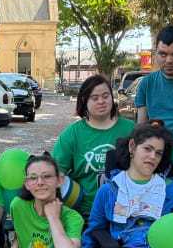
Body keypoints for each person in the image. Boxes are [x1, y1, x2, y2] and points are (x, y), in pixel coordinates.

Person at [52, 74, 135, 218]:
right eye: (94, 98)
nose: (101, 101)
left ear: (112, 97)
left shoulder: (130, 129)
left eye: (105, 96)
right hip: (84, 214)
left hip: (125, 212)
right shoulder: (72, 134)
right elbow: (54, 171)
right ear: (84, 101)